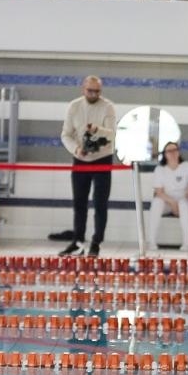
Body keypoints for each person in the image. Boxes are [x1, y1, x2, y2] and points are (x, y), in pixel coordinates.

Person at [60, 76, 117, 257]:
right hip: (80, 158)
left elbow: (112, 134)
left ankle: (96, 243)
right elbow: (66, 135)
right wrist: (76, 150)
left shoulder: (108, 106)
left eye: (97, 91)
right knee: (79, 203)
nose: (93, 94)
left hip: (103, 158)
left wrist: (97, 130)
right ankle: (77, 241)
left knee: (100, 203)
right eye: (90, 90)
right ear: (82, 88)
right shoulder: (74, 106)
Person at [148, 141, 188, 252]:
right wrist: (172, 202)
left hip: (183, 201)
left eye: (175, 150)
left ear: (179, 152)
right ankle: (151, 242)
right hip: (166, 201)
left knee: (183, 204)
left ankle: (186, 244)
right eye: (169, 151)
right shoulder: (160, 169)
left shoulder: (186, 167)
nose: (172, 153)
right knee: (156, 202)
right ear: (165, 154)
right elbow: (159, 192)